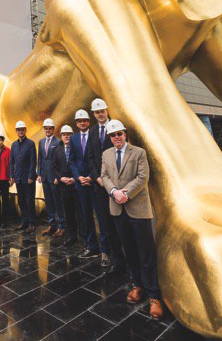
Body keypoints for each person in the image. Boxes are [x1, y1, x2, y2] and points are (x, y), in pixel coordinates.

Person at [101, 119, 163, 319]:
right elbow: (104, 176)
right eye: (113, 135)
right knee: (130, 250)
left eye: (119, 134)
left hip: (137, 208)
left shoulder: (139, 153)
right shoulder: (106, 154)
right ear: (109, 137)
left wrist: (125, 193)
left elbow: (143, 177)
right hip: (118, 210)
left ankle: (154, 295)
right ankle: (137, 285)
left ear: (125, 134)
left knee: (146, 252)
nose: (116, 137)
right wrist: (112, 192)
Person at [88, 98, 126, 270]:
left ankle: (124, 256)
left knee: (119, 222)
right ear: (94, 114)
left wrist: (111, 182)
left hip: (117, 185)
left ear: (107, 110)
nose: (100, 114)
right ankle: (109, 254)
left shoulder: (116, 128)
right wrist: (97, 178)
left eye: (102, 111)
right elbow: (89, 157)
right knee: (105, 224)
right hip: (99, 185)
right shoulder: (93, 131)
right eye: (97, 112)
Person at [68, 109, 102, 259]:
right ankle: (92, 246)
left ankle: (106, 248)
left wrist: (91, 177)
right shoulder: (73, 138)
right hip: (81, 184)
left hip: (94, 182)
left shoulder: (95, 135)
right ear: (76, 123)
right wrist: (78, 177)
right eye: (79, 121)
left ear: (89, 121)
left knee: (100, 216)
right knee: (86, 215)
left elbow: (98, 159)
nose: (82, 123)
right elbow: (72, 160)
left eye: (85, 120)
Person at [37, 117, 65, 237]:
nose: (48, 130)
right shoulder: (41, 142)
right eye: (46, 128)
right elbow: (40, 159)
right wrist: (39, 173)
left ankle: (61, 226)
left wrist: (57, 177)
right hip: (44, 177)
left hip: (54, 178)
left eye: (50, 128)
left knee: (57, 201)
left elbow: (59, 161)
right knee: (48, 202)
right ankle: (51, 225)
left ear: (53, 129)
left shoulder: (58, 142)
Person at [52, 125, 79, 247]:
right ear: (61, 136)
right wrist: (60, 178)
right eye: (64, 134)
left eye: (69, 134)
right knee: (68, 212)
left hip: (76, 185)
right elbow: (55, 168)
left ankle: (84, 237)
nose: (66, 136)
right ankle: (72, 236)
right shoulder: (57, 150)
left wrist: (75, 178)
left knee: (80, 212)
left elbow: (81, 165)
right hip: (64, 186)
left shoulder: (78, 149)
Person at [9, 121, 37, 233]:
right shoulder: (14, 145)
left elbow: (33, 161)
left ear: (25, 130)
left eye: (22, 129)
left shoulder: (30, 143)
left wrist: (31, 176)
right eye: (18, 130)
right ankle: (24, 221)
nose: (20, 131)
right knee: (21, 201)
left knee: (30, 200)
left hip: (28, 178)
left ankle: (31, 223)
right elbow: (11, 162)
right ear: (16, 131)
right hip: (18, 178)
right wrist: (11, 175)